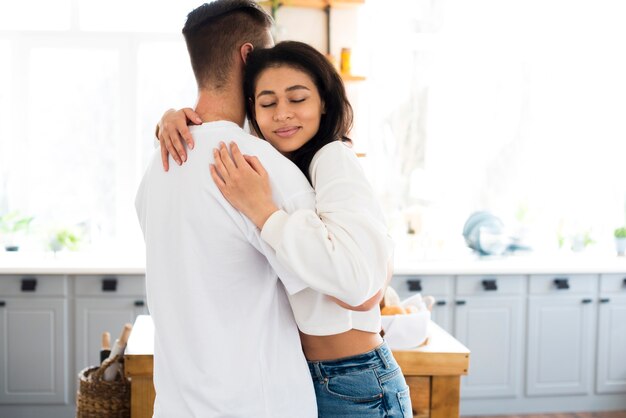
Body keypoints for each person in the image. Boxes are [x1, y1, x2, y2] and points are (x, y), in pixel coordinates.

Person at [157, 41, 413, 417]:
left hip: (355, 378)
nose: (282, 115)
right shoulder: (284, 163)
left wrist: (265, 213)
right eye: (267, 103)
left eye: (297, 99)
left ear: (324, 102)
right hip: (314, 376)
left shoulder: (333, 157)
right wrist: (172, 117)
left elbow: (360, 290)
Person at [135, 2, 320, 416]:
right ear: (249, 56)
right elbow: (323, 286)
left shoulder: (157, 165)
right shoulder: (262, 167)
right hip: (258, 406)